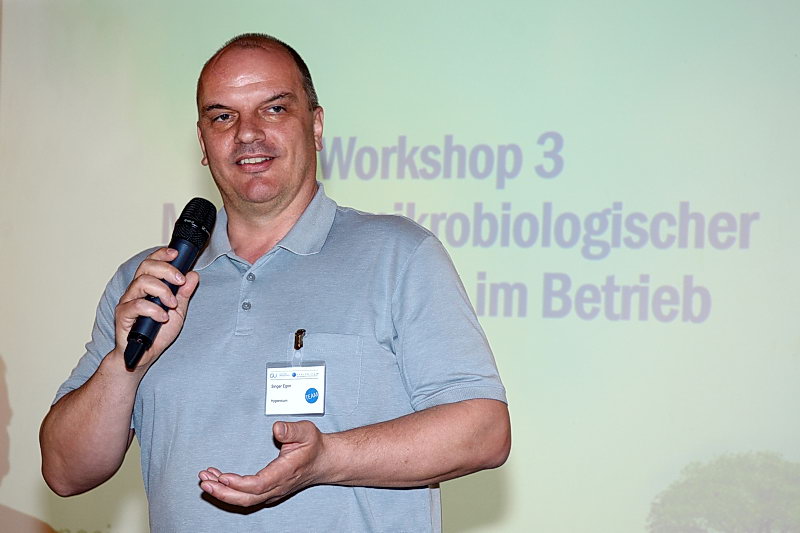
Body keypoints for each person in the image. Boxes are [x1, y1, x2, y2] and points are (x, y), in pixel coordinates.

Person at [40, 33, 510, 532]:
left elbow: (484, 431)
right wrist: (124, 364)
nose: (247, 133)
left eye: (274, 109)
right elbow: (64, 471)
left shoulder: (399, 254)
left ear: (316, 126)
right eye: (223, 116)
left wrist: (327, 458)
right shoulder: (150, 282)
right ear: (203, 143)